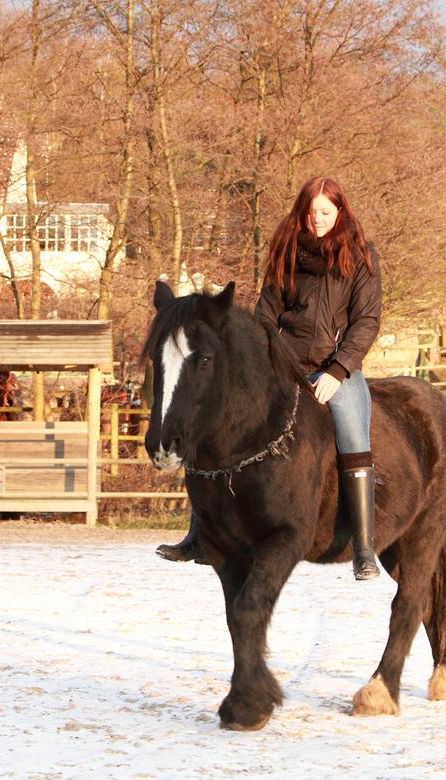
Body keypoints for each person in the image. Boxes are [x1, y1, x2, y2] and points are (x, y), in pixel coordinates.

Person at [157, 176, 382, 580]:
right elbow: (266, 313)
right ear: (303, 211)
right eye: (312, 212)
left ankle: (364, 547)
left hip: (336, 368)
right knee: (218, 416)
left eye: (326, 212)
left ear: (340, 212)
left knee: (352, 432)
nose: (318, 220)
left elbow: (366, 321)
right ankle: (198, 533)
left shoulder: (361, 257)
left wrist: (338, 371)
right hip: (285, 364)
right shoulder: (287, 252)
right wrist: (262, 361)